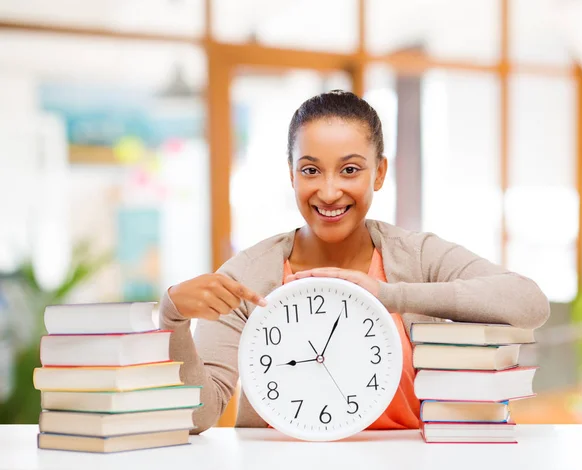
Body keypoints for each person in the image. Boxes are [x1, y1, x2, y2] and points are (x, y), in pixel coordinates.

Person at [160, 90, 550, 434]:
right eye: (311, 170)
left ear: (379, 173)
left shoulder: (416, 256)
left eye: (350, 170)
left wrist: (388, 294)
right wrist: (173, 316)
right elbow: (198, 416)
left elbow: (529, 303)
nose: (329, 192)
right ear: (292, 175)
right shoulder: (247, 275)